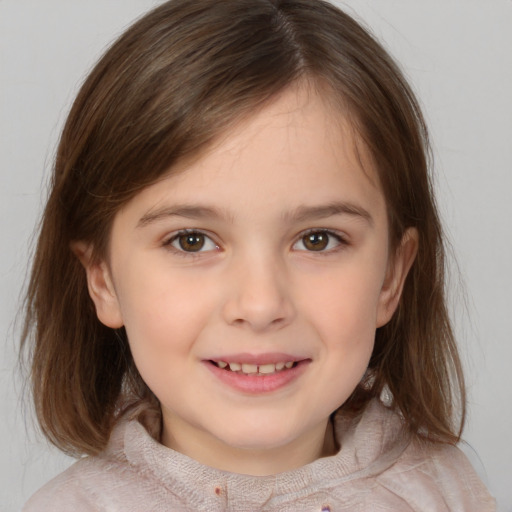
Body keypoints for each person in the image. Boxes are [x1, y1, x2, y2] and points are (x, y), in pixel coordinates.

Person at [20, 0, 496, 510]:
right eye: (191, 240)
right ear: (103, 280)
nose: (262, 303)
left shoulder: (445, 492)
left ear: (391, 277)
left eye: (318, 239)